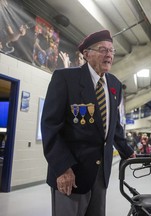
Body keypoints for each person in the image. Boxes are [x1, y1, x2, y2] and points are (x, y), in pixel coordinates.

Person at [41, 30, 135, 216]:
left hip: (100, 175)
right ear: (86, 54)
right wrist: (62, 168)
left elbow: (113, 126)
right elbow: (50, 127)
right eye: (102, 50)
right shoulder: (65, 79)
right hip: (71, 174)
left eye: (111, 50)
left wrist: (129, 152)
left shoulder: (114, 84)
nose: (109, 54)